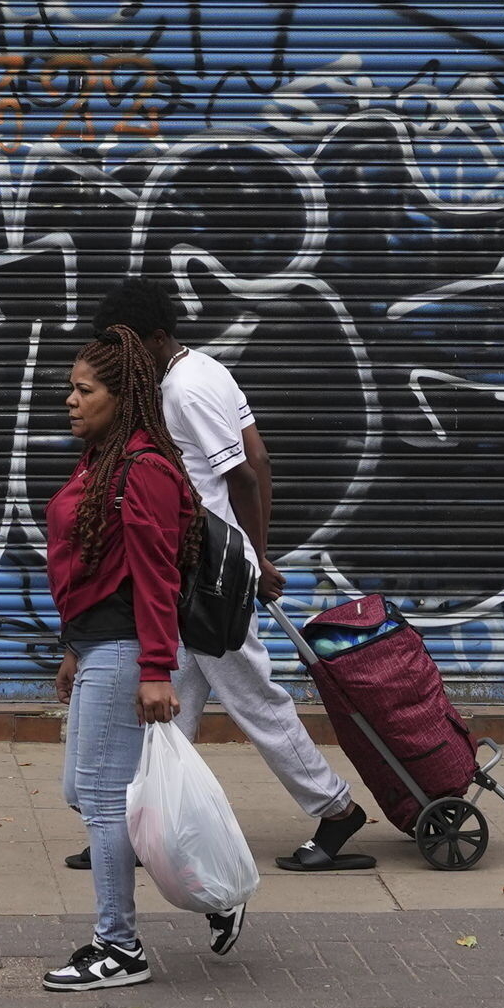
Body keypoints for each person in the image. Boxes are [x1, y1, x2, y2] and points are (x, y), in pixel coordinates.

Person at [88, 281, 375, 873]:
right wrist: (254, 554)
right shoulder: (204, 369)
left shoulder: (184, 390)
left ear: (158, 339)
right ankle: (142, 830)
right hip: (196, 574)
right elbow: (260, 454)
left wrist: (254, 558)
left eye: (130, 347)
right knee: (169, 710)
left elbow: (243, 475)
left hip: (215, 579)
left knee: (257, 702)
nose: (122, 361)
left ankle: (338, 808)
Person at [40, 331, 244, 992]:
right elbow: (89, 567)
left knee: (102, 799)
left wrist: (156, 668)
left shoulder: (145, 470)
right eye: (70, 387)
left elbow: (155, 577)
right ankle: (214, 889)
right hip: (98, 644)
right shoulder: (100, 461)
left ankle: (119, 946)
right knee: (89, 792)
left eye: (84, 389)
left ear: (123, 398)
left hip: (129, 648)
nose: (69, 400)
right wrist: (72, 648)